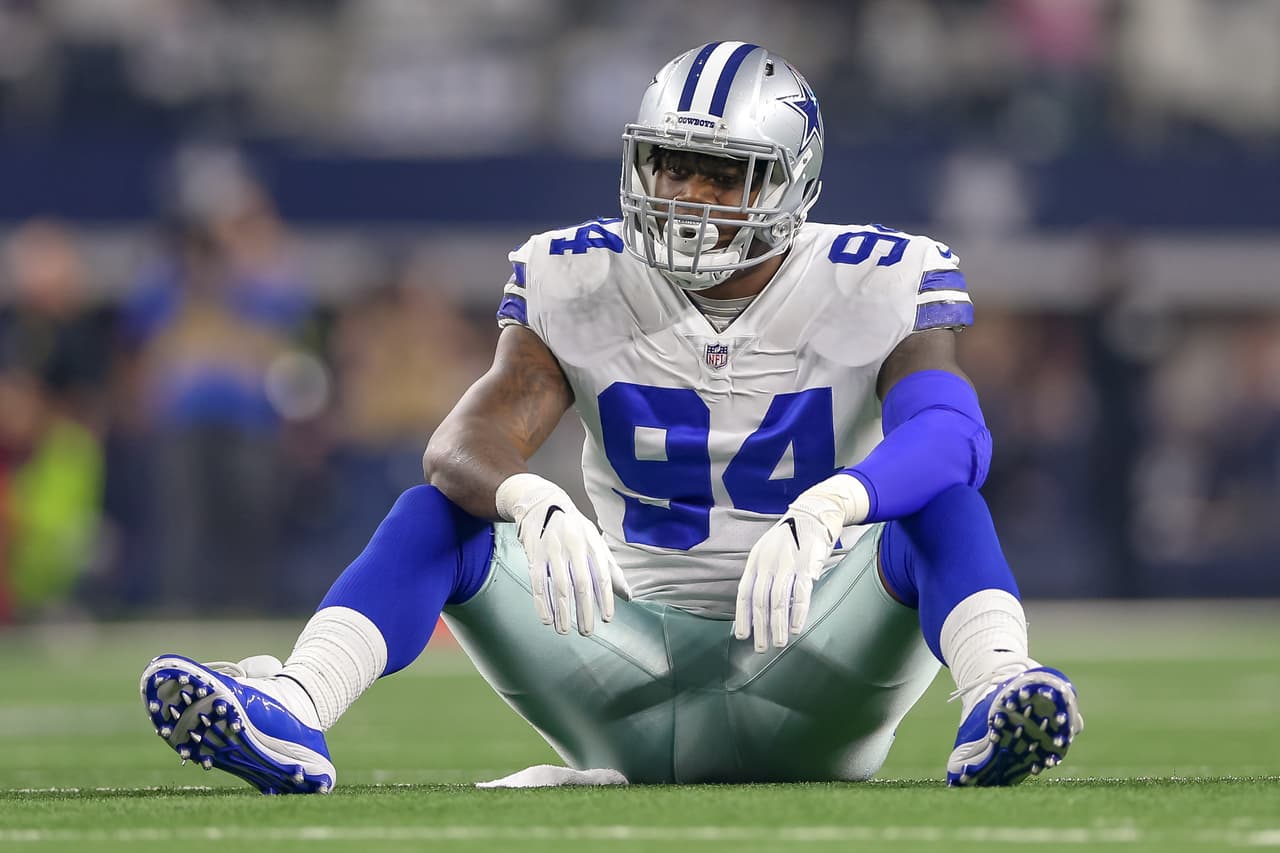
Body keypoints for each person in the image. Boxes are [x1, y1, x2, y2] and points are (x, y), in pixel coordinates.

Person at [139, 42, 1082, 793]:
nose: (687, 199)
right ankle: (295, 709)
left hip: (815, 669)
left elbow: (953, 436)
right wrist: (529, 499)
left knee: (934, 502)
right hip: (619, 667)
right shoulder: (578, 272)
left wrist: (839, 501)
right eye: (672, 167)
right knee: (442, 508)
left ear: (793, 186)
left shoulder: (877, 275)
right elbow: (462, 443)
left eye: (722, 175)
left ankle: (997, 691)